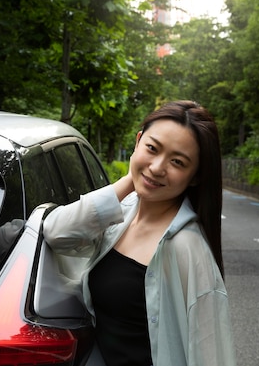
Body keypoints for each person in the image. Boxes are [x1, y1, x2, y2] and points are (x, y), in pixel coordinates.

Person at [43, 100, 236, 366]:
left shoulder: (188, 249)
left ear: (195, 176)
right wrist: (131, 180)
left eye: (177, 162)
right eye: (152, 148)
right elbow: (56, 232)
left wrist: (142, 172)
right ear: (138, 141)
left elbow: (212, 357)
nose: (157, 167)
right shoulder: (121, 215)